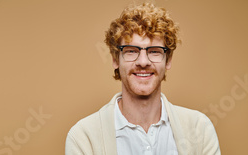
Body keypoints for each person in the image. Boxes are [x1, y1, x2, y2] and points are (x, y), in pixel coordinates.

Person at [65, 3, 220, 155]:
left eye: (154, 51)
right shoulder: (83, 137)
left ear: (168, 60)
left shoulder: (200, 129)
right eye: (131, 51)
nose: (143, 62)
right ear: (115, 59)